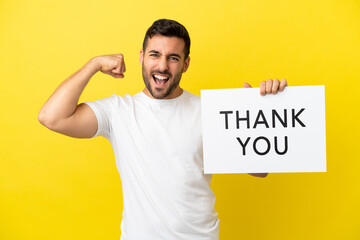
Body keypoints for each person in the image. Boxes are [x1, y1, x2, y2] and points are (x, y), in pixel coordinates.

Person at [38, 19, 287, 240]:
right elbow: (52, 117)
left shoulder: (209, 111)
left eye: (173, 58)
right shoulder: (119, 111)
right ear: (141, 57)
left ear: (186, 64)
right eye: (154, 55)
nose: (162, 66)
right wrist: (92, 65)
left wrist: (256, 114)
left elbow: (259, 171)